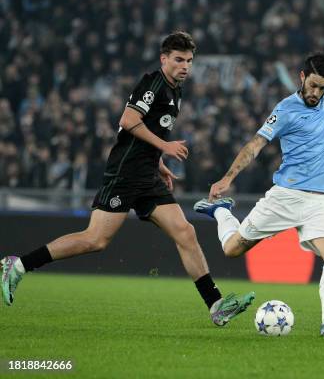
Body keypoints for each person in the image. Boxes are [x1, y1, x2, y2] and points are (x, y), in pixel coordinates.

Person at [1, 31, 254, 326]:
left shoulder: (175, 90)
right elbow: (127, 121)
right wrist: (165, 147)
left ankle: (216, 305)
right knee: (95, 240)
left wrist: (158, 163)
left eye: (188, 61)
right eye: (178, 59)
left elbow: (146, 131)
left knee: (185, 232)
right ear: (164, 59)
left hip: (147, 175)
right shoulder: (153, 84)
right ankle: (17, 265)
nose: (184, 66)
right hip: (124, 173)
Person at [194, 51, 324, 336]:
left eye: (323, 87)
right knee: (232, 249)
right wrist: (228, 177)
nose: (317, 92)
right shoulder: (286, 109)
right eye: (313, 85)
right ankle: (219, 211)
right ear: (302, 77)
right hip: (286, 197)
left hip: (320, 203)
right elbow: (255, 145)